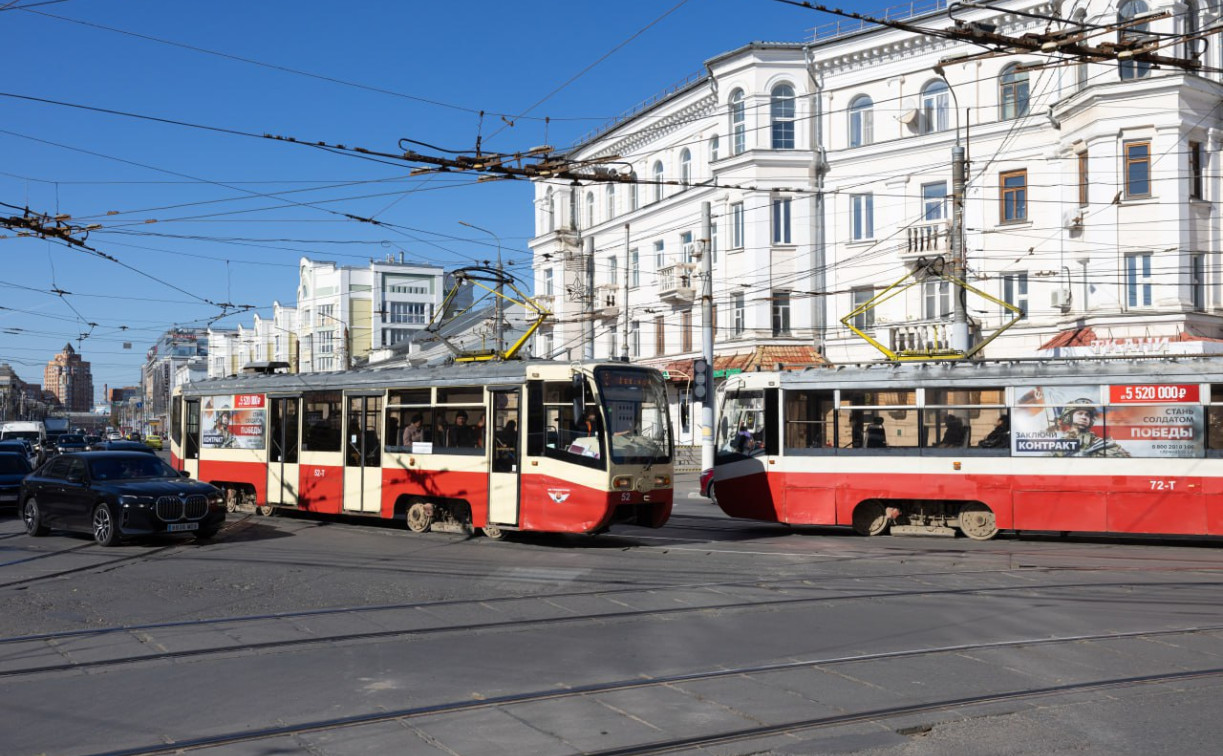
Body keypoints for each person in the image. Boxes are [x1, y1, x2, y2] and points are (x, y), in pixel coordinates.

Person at [1050, 399, 1129, 458]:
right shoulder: (1061, 443)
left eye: (1087, 415)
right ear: (1068, 417)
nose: (1084, 417)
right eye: (1080, 413)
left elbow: (1124, 457)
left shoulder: (1099, 443)